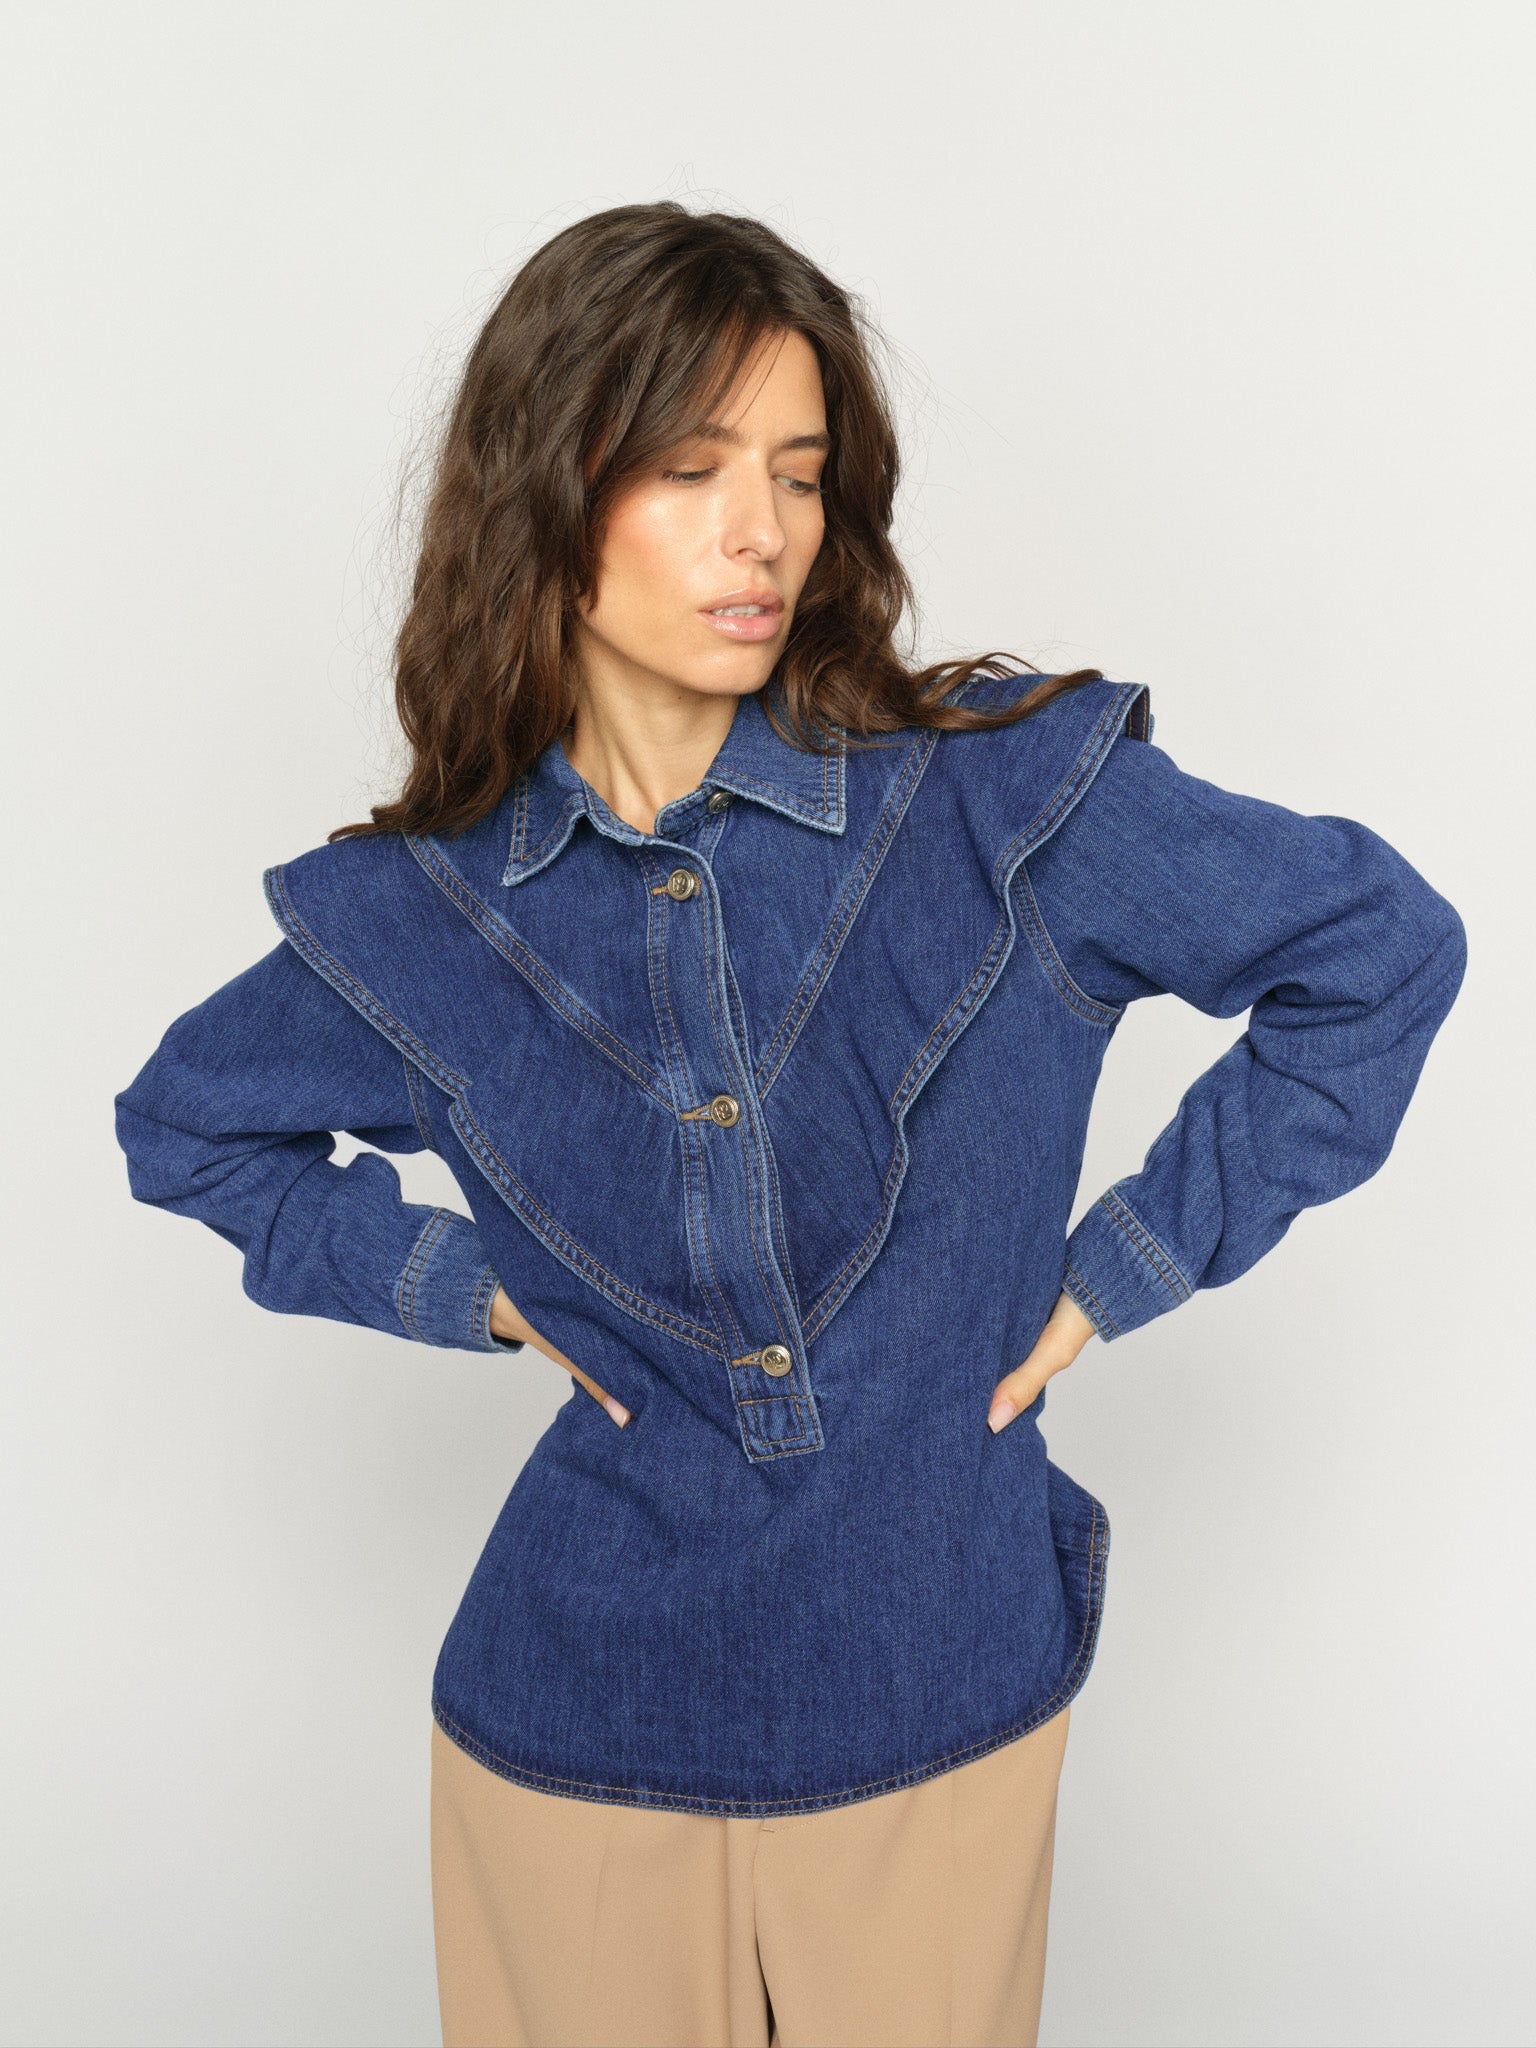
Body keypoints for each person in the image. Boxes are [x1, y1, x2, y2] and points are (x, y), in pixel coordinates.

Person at [114, 203, 1466, 2048]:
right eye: (691, 469)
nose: (762, 531)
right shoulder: (424, 916)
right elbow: (188, 1128)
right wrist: (471, 1292)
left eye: (802, 473)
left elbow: (1377, 951)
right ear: (548, 496)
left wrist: (1137, 1260)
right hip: (564, 1737)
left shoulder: (1002, 799)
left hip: (934, 1701)